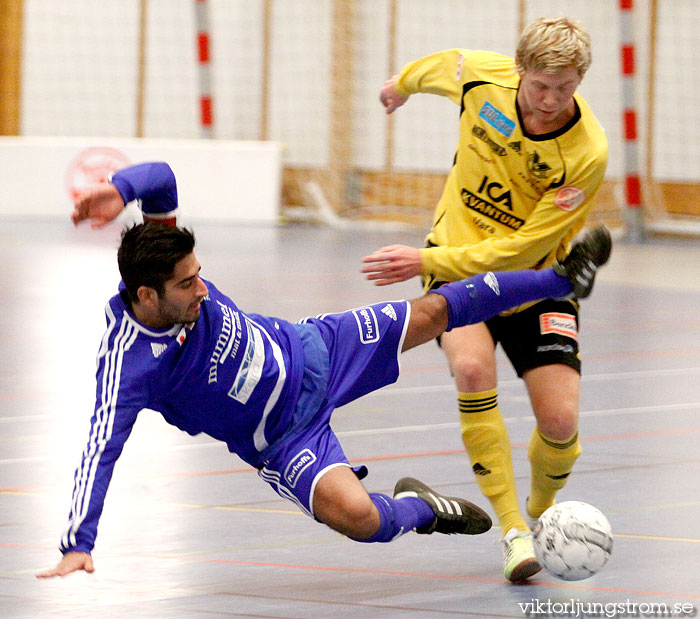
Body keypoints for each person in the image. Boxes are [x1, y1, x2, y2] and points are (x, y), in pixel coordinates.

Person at [36, 161, 610, 579]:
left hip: (317, 348)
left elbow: (161, 176)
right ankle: (426, 508)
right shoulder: (129, 367)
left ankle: (562, 278)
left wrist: (119, 188)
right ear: (145, 296)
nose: (202, 289)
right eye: (188, 285)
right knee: (359, 519)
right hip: (285, 440)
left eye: (200, 274)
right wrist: (77, 542)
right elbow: (98, 448)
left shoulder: (166, 262)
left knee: (435, 311)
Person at [361, 17, 608, 582]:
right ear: (519, 71)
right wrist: (400, 83)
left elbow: (525, 247)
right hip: (456, 267)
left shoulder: (585, 153)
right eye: (539, 85)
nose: (549, 101)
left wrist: (426, 263)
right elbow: (441, 64)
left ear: (580, 80)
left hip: (533, 282)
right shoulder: (483, 77)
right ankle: (512, 532)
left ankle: (544, 512)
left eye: (565, 88)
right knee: (472, 369)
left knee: (561, 422)